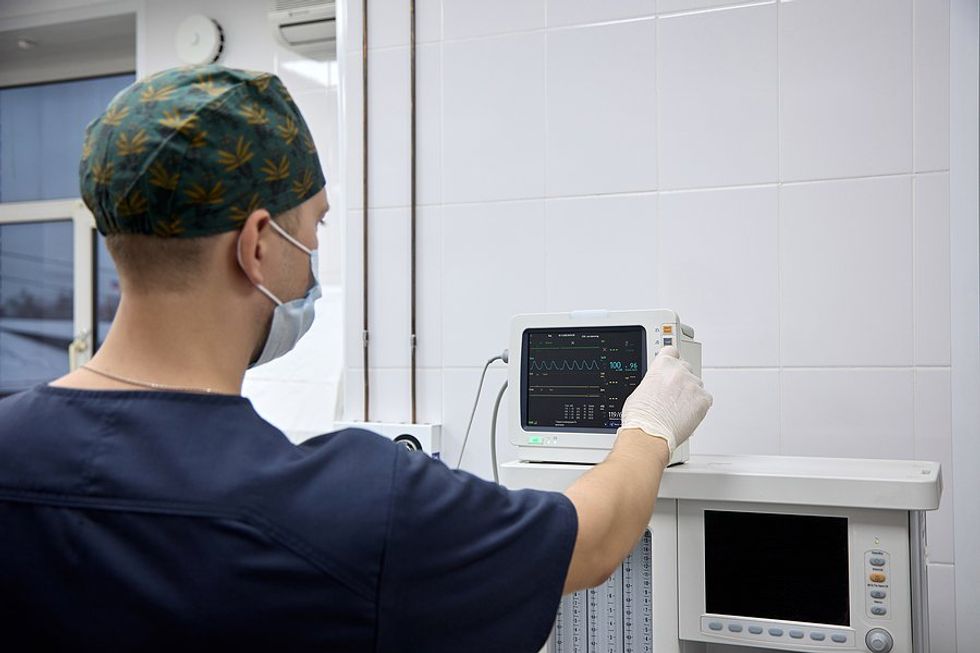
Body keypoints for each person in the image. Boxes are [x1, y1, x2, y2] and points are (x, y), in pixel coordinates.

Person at [0, 65, 712, 652]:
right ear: (256, 245)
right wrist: (649, 426)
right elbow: (588, 541)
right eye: (313, 227)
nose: (314, 256)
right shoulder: (355, 504)